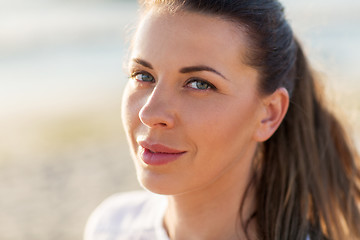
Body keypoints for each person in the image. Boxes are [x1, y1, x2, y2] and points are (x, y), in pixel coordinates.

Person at [84, 0, 360, 239]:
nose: (150, 113)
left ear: (269, 113)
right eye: (143, 76)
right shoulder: (111, 228)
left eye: (199, 84)